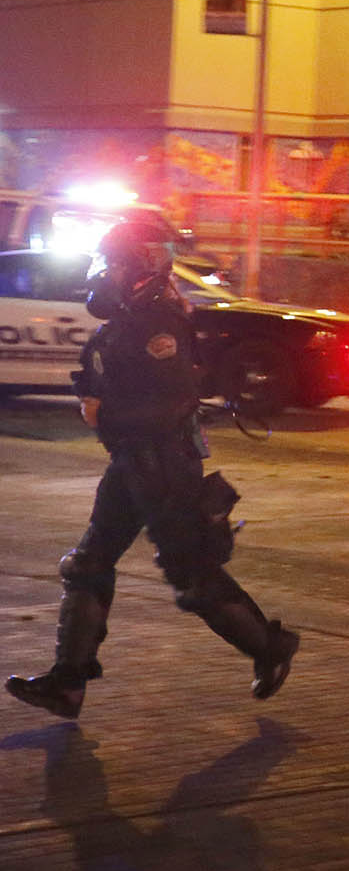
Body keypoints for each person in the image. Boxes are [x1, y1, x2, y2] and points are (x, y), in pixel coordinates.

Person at [5, 219, 299, 720]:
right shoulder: (131, 318)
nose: (105, 274)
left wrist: (104, 414)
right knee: (89, 564)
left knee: (192, 575)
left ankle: (270, 649)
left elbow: (170, 403)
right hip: (132, 461)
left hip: (164, 464)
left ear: (140, 265)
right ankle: (67, 684)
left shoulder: (160, 324)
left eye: (114, 264)